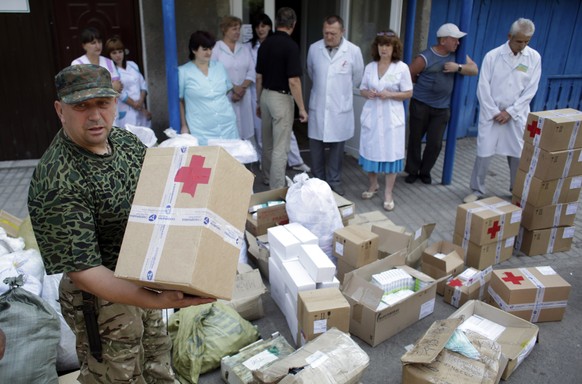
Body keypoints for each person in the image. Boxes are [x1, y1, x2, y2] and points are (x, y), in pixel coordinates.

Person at [27, 64, 214, 383]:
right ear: (61, 110)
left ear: (116, 102)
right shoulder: (57, 178)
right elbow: (84, 273)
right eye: (81, 106)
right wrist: (156, 298)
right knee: (118, 375)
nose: (95, 115)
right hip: (101, 300)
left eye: (103, 103)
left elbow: (164, 197)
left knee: (157, 359)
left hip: (144, 276)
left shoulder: (125, 145)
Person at [464, 18, 542, 203]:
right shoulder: (493, 56)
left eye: (527, 42)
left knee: (517, 153)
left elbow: (530, 90)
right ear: (510, 36)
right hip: (492, 115)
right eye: (519, 41)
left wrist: (510, 112)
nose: (523, 45)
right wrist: (494, 112)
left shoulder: (534, 58)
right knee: (484, 151)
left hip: (515, 116)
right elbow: (483, 87)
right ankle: (477, 189)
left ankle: (516, 190)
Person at [404, 23, 478, 185]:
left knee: (435, 143)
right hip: (420, 104)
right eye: (455, 40)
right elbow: (409, 73)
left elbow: (474, 70)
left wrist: (457, 67)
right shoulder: (425, 57)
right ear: (443, 40)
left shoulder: (458, 55)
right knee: (415, 139)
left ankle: (425, 171)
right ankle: (412, 171)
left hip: (442, 108)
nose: (458, 43)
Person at [306, 15, 364, 196]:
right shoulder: (314, 49)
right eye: (326, 33)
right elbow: (311, 72)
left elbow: (357, 78)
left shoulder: (353, 51)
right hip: (319, 106)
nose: (329, 36)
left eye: (333, 33)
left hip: (340, 109)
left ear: (342, 32)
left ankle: (334, 181)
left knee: (337, 149)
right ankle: (317, 181)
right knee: (316, 148)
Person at [247, 13, 310, 173]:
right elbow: (293, 81)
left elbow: (259, 77)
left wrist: (258, 101)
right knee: (281, 147)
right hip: (280, 98)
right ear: (293, 24)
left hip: (265, 96)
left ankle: (268, 177)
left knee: (267, 143)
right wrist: (301, 108)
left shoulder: (265, 44)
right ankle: (277, 186)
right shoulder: (291, 46)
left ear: (276, 23)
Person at [359, 31, 413, 211]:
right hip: (372, 116)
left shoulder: (402, 68)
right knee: (370, 152)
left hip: (391, 118)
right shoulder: (370, 67)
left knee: (391, 155)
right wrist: (369, 93)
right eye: (381, 45)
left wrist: (390, 94)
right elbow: (362, 90)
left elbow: (408, 93)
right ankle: (373, 185)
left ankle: (388, 193)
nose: (384, 48)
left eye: (388, 45)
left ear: (394, 48)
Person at [179, 30, 239, 145]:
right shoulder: (183, 72)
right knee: (206, 161)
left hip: (227, 126)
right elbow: (180, 101)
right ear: (194, 50)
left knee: (230, 160)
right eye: (205, 49)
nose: (209, 52)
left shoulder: (220, 67)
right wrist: (184, 126)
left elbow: (224, 92)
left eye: (211, 48)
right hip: (201, 130)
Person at [212, 16, 256, 141]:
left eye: (239, 29)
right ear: (224, 30)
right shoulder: (216, 49)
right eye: (233, 29)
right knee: (228, 133)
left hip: (243, 95)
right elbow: (214, 73)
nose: (237, 32)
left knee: (245, 133)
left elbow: (252, 70)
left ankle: (246, 160)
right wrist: (233, 88)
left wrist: (242, 88)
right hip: (226, 96)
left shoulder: (244, 49)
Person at [104, 36, 152, 128]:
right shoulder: (111, 71)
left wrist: (141, 101)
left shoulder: (132, 65)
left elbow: (142, 84)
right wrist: (135, 105)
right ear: (109, 55)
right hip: (126, 110)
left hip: (141, 108)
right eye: (114, 53)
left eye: (120, 52)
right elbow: (120, 93)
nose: (118, 55)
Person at [72, 27, 122, 93]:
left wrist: (96, 88)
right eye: (93, 43)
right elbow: (81, 90)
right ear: (84, 46)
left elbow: (117, 87)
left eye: (99, 42)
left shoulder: (108, 62)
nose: (98, 46)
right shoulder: (77, 64)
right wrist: (110, 87)